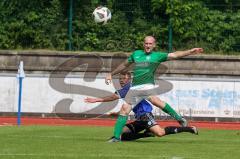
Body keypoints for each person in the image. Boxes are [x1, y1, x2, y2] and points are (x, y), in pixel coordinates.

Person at [105, 36, 203, 142]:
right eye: (146, 43)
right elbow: (124, 64)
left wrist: (190, 51)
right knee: (125, 109)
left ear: (154, 45)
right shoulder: (136, 54)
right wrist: (111, 74)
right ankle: (116, 138)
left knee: (155, 101)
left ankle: (179, 118)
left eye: (150, 44)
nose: (148, 45)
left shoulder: (157, 56)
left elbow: (174, 55)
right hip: (135, 88)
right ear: (143, 44)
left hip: (147, 85)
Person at [85, 72, 198, 142]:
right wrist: (116, 114)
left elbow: (113, 97)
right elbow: (127, 108)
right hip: (140, 118)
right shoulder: (129, 90)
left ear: (129, 79)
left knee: (160, 133)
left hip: (145, 116)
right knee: (121, 134)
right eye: (120, 79)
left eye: (123, 79)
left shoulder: (128, 88)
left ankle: (189, 129)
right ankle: (146, 134)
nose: (121, 81)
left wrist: (97, 99)